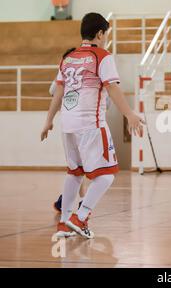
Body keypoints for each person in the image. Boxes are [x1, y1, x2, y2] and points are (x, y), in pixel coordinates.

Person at [41, 12, 144, 239]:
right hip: (90, 123)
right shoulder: (102, 55)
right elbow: (113, 88)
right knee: (107, 175)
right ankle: (81, 215)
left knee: (74, 173)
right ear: (100, 33)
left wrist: (48, 120)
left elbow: (58, 91)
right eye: (105, 34)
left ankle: (65, 223)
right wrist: (130, 114)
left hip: (67, 124)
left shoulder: (68, 58)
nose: (106, 38)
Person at [49, 80, 88, 214]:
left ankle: (75, 200)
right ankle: (74, 200)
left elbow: (53, 91)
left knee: (78, 167)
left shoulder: (68, 69)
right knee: (78, 167)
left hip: (79, 123)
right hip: (83, 123)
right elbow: (54, 91)